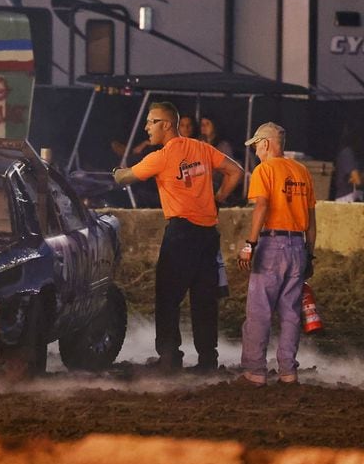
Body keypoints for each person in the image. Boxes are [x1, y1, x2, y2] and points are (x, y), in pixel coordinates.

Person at [113, 101, 243, 373]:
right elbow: (236, 172)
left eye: (151, 121)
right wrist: (218, 198)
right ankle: (208, 361)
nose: (147, 127)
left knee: (168, 297)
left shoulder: (162, 156)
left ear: (166, 125)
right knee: (204, 301)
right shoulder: (202, 148)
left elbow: (127, 178)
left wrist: (116, 173)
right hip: (208, 236)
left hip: (181, 234)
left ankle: (170, 358)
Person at [237, 122, 316, 387]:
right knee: (291, 313)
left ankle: (255, 371)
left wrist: (250, 243)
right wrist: (310, 254)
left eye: (257, 145)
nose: (256, 151)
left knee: (259, 310)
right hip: (298, 247)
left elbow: (261, 205)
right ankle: (288, 371)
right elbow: (312, 220)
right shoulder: (302, 171)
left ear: (267, 143)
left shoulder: (264, 170)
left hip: (272, 245)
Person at [333, 122, 363, 202]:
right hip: (347, 199)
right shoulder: (348, 154)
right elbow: (358, 180)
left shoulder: (357, 156)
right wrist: (359, 177)